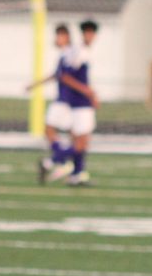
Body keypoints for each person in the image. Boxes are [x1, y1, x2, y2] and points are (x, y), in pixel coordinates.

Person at [48, 20, 99, 186]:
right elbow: (66, 77)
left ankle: (76, 175)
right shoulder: (80, 52)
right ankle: (53, 161)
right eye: (88, 32)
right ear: (83, 34)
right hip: (81, 102)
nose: (90, 36)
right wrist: (88, 92)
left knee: (80, 141)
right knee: (82, 142)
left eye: (92, 33)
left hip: (77, 102)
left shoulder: (78, 51)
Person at [26, 24, 74, 184]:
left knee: (50, 130)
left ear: (66, 37)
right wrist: (36, 84)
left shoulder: (70, 54)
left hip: (65, 101)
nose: (56, 39)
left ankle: (60, 162)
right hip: (64, 100)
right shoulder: (64, 55)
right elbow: (57, 76)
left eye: (59, 36)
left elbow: (69, 77)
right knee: (69, 134)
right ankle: (60, 162)